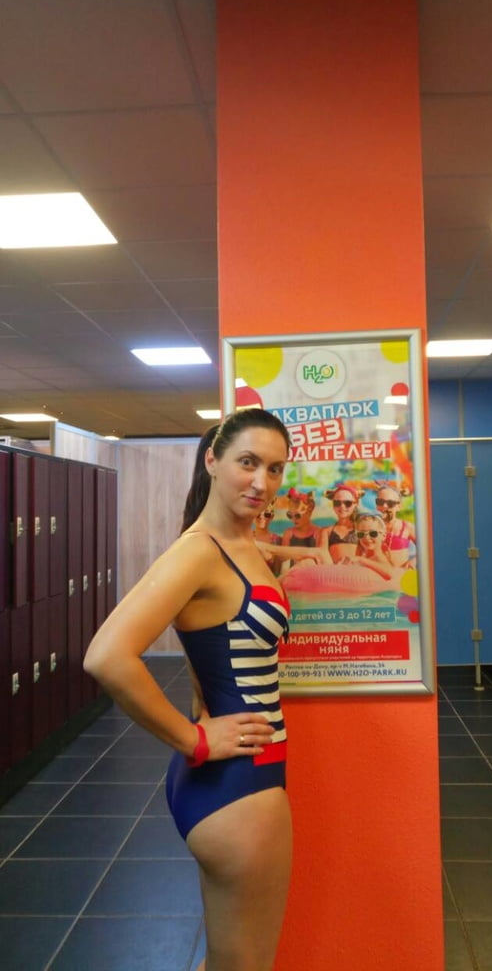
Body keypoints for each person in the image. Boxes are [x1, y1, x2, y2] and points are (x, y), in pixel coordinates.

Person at [84, 409, 293, 971]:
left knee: (228, 959)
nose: (262, 481)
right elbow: (106, 657)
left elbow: (214, 639)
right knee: (247, 964)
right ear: (212, 461)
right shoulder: (200, 550)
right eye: (248, 462)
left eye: (275, 468)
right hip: (239, 783)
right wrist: (195, 739)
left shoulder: (240, 543)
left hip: (236, 780)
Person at [318, 483, 362, 563]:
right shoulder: (326, 531)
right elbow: (322, 555)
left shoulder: (361, 529)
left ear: (356, 504)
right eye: (337, 503)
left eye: (348, 503)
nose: (342, 506)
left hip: (356, 569)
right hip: (333, 569)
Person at [376, 484, 416, 568]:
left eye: (390, 503)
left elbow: (427, 547)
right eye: (380, 502)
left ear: (399, 507)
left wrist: (413, 561)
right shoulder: (369, 526)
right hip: (375, 574)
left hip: (400, 573)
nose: (384, 506)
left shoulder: (407, 527)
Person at [344, 512, 393, 579]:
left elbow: (390, 573)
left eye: (373, 533)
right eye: (361, 534)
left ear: (383, 536)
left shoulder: (378, 557)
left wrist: (361, 560)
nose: (366, 537)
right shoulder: (365, 556)